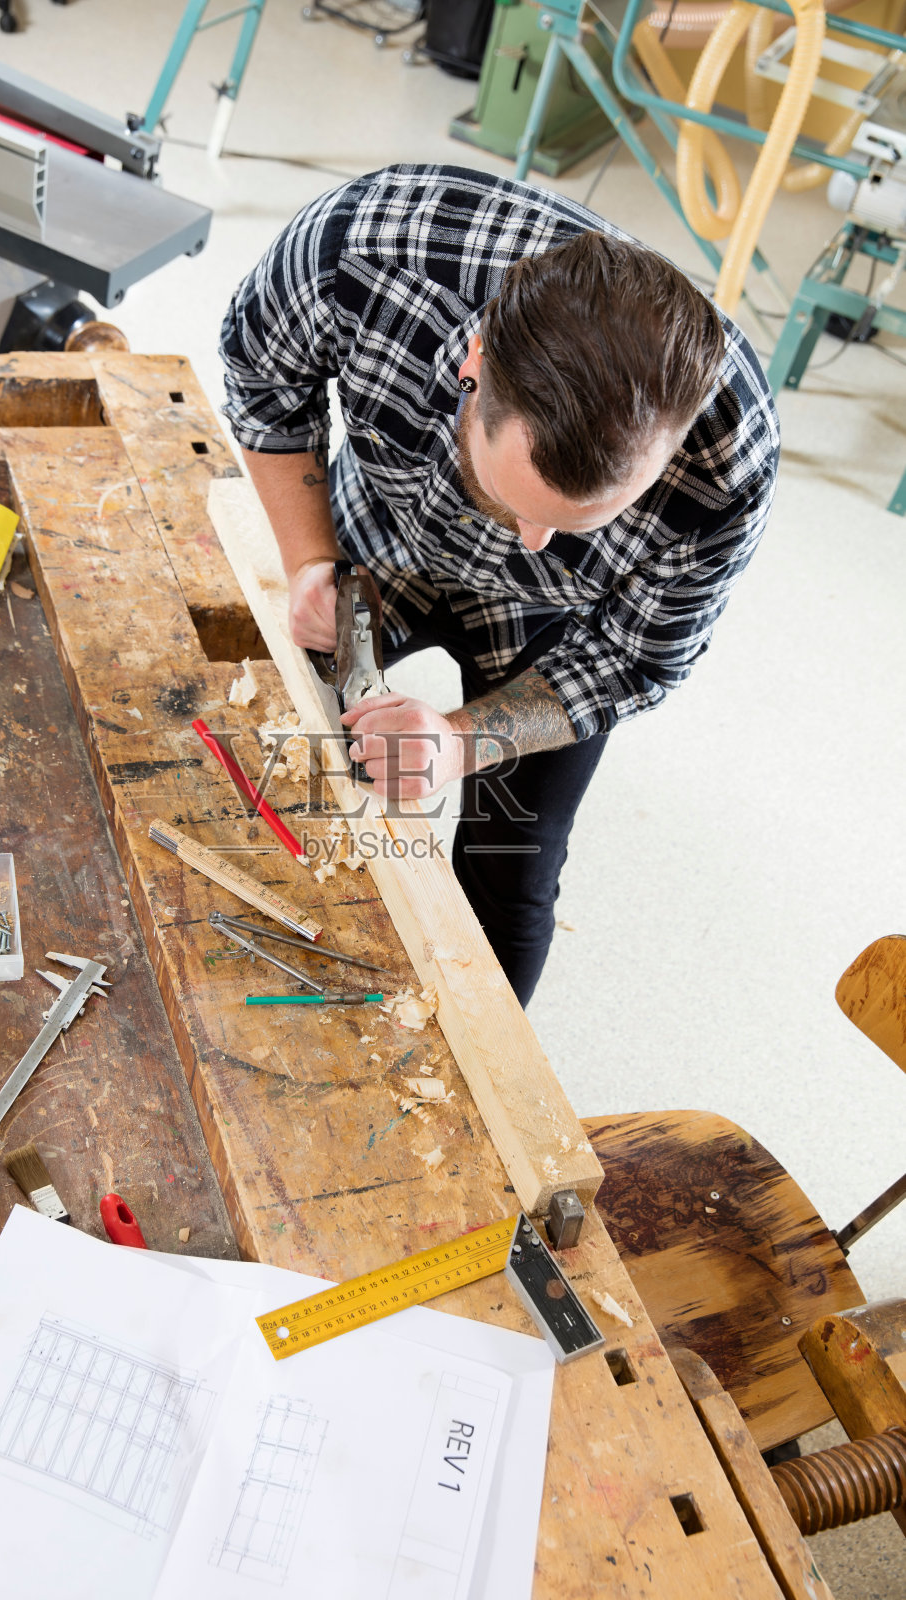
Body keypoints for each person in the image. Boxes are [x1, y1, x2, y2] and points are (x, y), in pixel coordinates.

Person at [219, 164, 780, 1006]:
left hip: (555, 622)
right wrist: (308, 559)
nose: (529, 538)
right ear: (471, 363)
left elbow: (634, 661)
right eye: (511, 498)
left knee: (514, 864)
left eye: (577, 519)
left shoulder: (730, 459)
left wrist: (457, 742)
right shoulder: (357, 255)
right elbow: (265, 391)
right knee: (279, 769)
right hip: (381, 537)